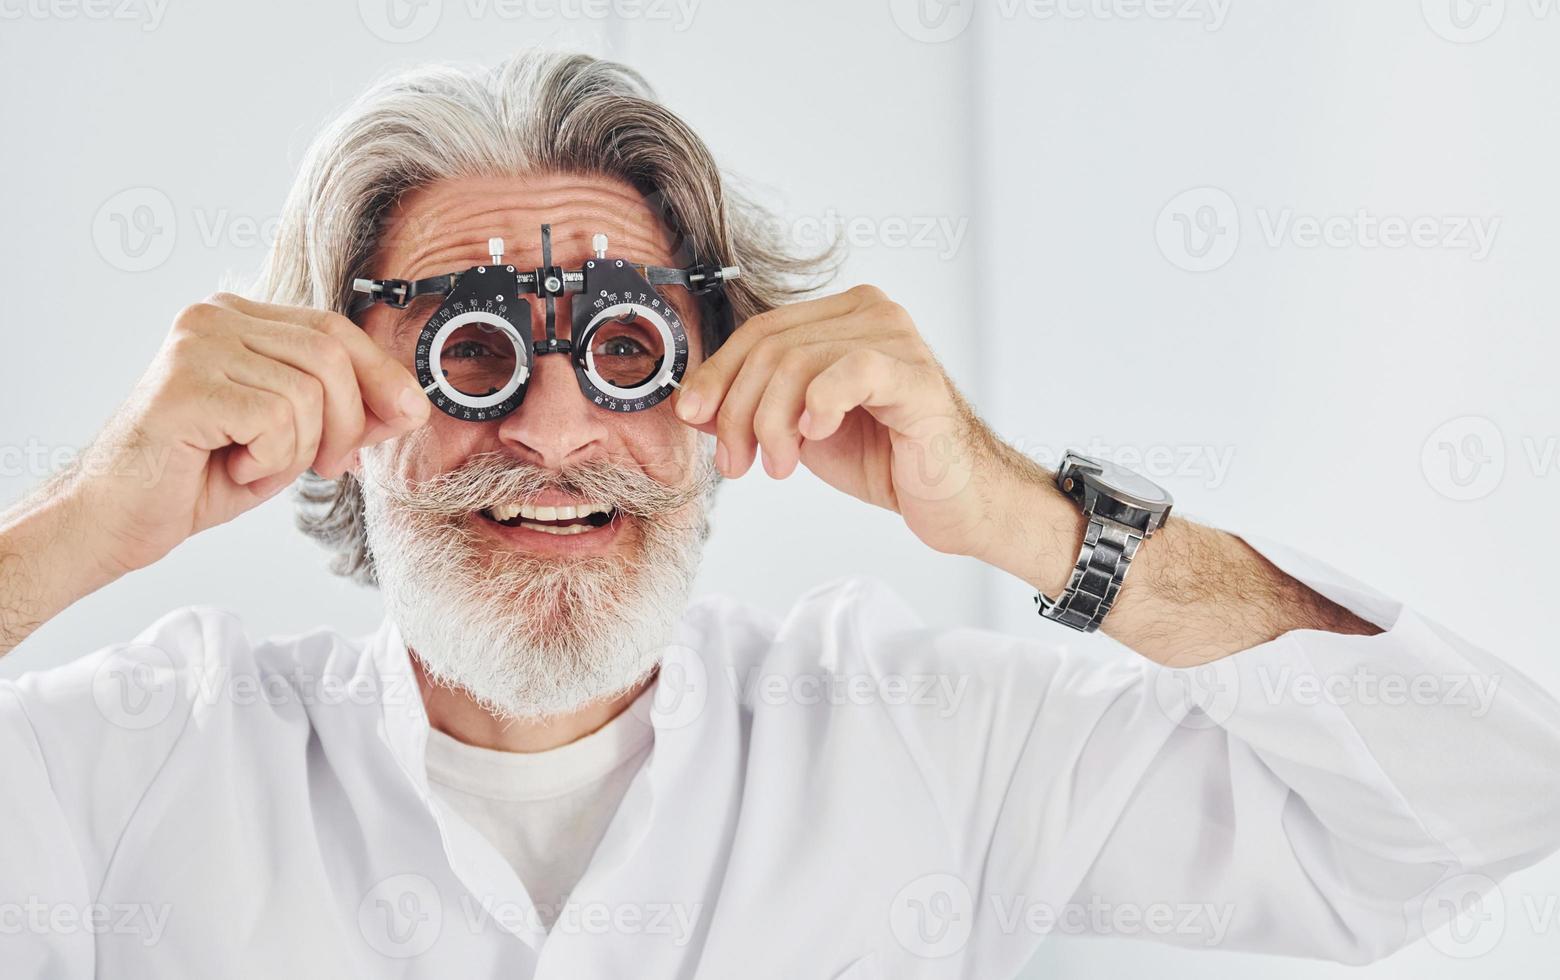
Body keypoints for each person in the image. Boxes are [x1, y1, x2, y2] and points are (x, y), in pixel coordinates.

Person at [1, 50, 1556, 980]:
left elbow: (1484, 804)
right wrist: (81, 525)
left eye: (625, 349)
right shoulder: (147, 761)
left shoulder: (926, 737)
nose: (554, 433)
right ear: (339, 410)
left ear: (724, 384)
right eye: (471, 352)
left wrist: (1028, 518)